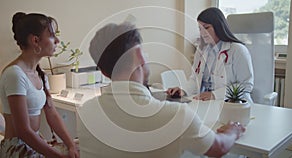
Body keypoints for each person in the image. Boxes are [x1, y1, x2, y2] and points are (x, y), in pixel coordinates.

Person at [80, 19, 245, 158]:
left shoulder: (85, 112)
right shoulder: (176, 116)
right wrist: (233, 130)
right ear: (139, 54)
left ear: (103, 71)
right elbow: (219, 148)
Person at [0, 12, 79, 158]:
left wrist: (71, 145)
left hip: (33, 143)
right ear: (35, 41)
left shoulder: (39, 73)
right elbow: (23, 131)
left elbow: (52, 113)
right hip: (17, 148)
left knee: (80, 148)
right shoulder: (14, 74)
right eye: (52, 36)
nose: (57, 40)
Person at [167, 7, 254, 103]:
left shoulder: (237, 50)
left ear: (218, 26)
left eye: (206, 27)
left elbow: (246, 85)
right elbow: (194, 79)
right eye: (200, 28)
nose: (202, 33)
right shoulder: (201, 51)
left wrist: (214, 95)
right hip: (207, 104)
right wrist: (183, 91)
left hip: (234, 105)